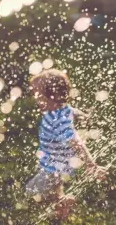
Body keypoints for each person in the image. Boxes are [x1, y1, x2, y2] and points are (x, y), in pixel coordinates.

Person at [26, 69, 106, 220]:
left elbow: (76, 142)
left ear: (50, 97)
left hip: (55, 166)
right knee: (54, 189)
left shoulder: (56, 119)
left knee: (32, 191)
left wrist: (90, 164)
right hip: (59, 164)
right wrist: (84, 115)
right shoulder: (62, 110)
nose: (35, 98)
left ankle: (63, 203)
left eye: (37, 95)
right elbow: (73, 111)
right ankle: (61, 209)